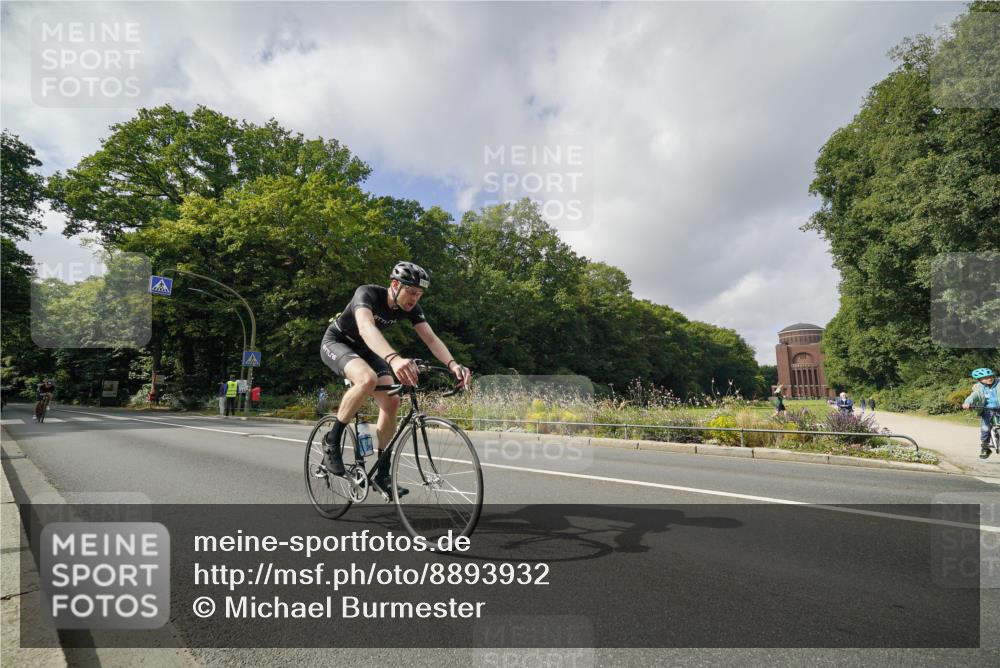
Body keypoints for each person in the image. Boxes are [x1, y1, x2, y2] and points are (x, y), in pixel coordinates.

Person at [319, 262, 471, 499]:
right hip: (338, 342)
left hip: (367, 350)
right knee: (367, 379)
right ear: (394, 285)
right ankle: (331, 441)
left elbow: (431, 339)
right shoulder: (367, 294)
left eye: (419, 294)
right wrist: (394, 359)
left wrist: (453, 365)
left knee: (392, 400)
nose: (414, 298)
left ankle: (382, 475)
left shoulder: (411, 308)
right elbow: (366, 328)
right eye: (411, 292)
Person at [962, 367, 1000, 460]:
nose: (989, 378)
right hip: (987, 410)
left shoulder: (999, 383)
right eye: (985, 378)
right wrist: (967, 403)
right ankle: (985, 448)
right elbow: (973, 396)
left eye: (990, 376)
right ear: (979, 380)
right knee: (985, 429)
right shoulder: (979, 388)